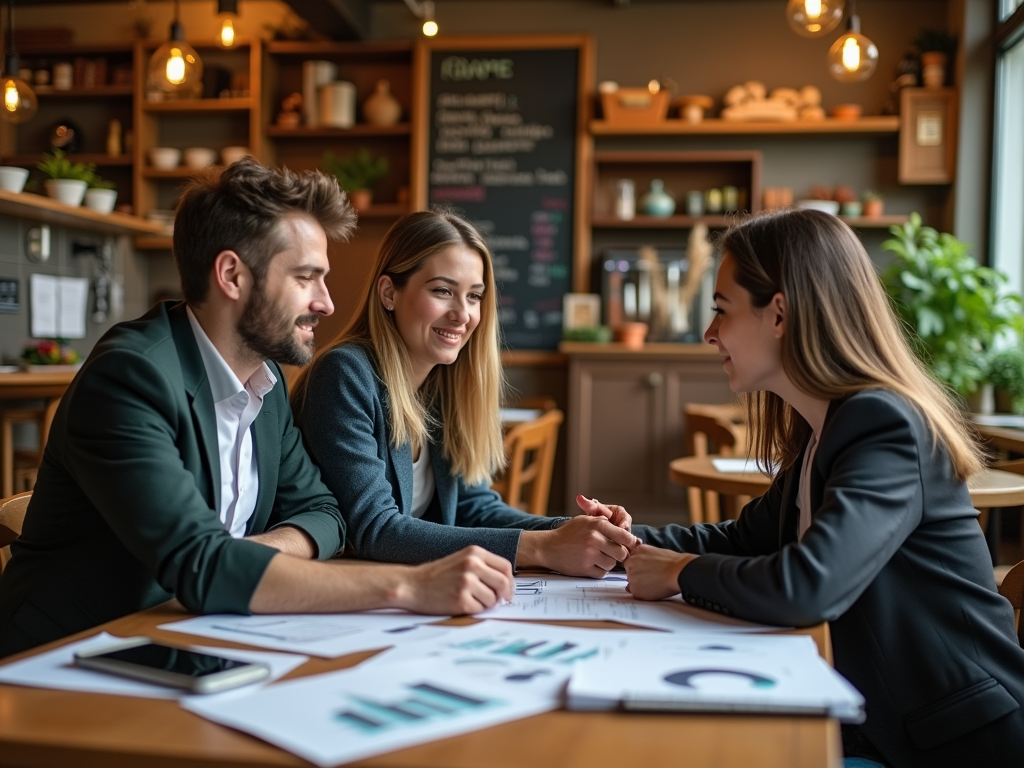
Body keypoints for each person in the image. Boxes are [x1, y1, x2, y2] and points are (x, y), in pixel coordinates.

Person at [0, 160, 513, 659]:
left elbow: (327, 516)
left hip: (187, 639)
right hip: (66, 658)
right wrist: (408, 586)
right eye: (306, 278)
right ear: (232, 275)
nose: (327, 303)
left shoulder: (262, 387)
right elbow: (203, 565)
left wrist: (245, 554)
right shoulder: (130, 378)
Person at [623, 209, 1024, 767]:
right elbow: (742, 540)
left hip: (946, 743)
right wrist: (621, 542)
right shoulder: (828, 427)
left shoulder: (885, 423)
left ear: (780, 314)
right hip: (876, 722)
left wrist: (675, 572)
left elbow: (808, 586)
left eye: (721, 311)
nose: (710, 333)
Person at [292, 209, 637, 576]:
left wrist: (570, 531)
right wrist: (544, 548)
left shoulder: (441, 384)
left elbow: (476, 508)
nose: (462, 314)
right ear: (389, 292)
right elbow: (374, 531)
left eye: (474, 296)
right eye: (442, 291)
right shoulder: (345, 374)